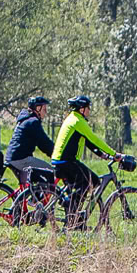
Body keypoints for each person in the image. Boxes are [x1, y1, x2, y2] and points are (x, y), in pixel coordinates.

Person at [51, 95, 125, 223]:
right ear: (81, 109)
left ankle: (73, 217)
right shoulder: (78, 121)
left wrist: (102, 155)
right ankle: (73, 217)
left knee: (83, 184)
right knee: (93, 181)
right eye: (88, 108)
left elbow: (87, 142)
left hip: (61, 161)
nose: (89, 110)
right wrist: (114, 154)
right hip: (67, 161)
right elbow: (94, 139)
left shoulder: (72, 118)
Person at [5, 96, 57, 191]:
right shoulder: (33, 122)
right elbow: (44, 143)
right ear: (38, 108)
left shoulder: (25, 119)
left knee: (31, 183)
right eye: (44, 109)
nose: (45, 112)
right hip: (21, 159)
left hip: (12, 158)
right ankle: (37, 199)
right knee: (50, 171)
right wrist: (57, 154)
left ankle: (24, 201)